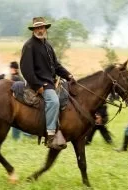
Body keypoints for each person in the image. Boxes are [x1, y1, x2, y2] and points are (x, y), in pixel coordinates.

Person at [20, 17, 74, 149]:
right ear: (33, 30)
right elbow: (26, 69)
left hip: (52, 81)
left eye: (42, 27)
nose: (40, 30)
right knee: (54, 101)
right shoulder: (29, 45)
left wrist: (68, 75)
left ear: (45, 29)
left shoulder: (47, 44)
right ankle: (50, 135)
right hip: (41, 83)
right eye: (37, 28)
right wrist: (38, 85)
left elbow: (56, 65)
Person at [9, 61, 24, 140]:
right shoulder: (20, 76)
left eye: (10, 68)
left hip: (16, 100)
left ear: (13, 69)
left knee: (15, 121)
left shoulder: (14, 77)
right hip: (21, 100)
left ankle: (16, 138)